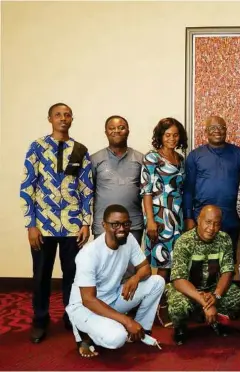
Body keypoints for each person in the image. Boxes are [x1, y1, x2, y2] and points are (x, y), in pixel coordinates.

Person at [20, 103, 93, 343]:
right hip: (43, 225)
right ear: (50, 119)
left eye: (67, 114)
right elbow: (27, 187)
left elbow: (87, 189)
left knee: (73, 274)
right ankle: (40, 319)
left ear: (72, 119)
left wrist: (85, 222)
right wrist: (30, 224)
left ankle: (71, 316)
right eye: (58, 115)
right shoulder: (37, 147)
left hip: (73, 226)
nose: (63, 118)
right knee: (41, 274)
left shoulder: (80, 150)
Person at [66, 205, 165, 358]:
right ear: (104, 225)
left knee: (157, 282)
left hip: (112, 297)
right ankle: (84, 333)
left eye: (126, 224)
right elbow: (88, 300)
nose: (122, 229)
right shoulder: (88, 254)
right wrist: (126, 321)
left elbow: (145, 267)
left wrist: (135, 277)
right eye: (115, 224)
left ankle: (140, 331)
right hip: (85, 307)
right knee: (117, 338)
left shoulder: (129, 239)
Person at [168, 205, 240, 345]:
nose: (211, 228)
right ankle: (180, 327)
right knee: (177, 305)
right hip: (189, 291)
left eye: (216, 224)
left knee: (237, 296)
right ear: (199, 220)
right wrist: (205, 302)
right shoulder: (184, 241)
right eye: (208, 222)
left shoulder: (224, 239)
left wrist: (216, 295)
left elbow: (227, 271)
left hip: (212, 289)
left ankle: (217, 321)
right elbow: (178, 280)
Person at [140, 117, 187, 326]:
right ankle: (158, 307)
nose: (172, 138)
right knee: (162, 264)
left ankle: (169, 303)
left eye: (175, 135)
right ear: (160, 136)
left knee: (174, 262)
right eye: (167, 135)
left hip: (177, 217)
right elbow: (146, 192)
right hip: (159, 217)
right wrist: (150, 220)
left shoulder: (180, 158)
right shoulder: (152, 158)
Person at [183, 116, 240, 251]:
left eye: (221, 127)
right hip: (202, 219)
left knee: (228, 260)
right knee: (202, 261)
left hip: (231, 218)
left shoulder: (239, 155)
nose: (217, 131)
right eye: (212, 128)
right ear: (206, 131)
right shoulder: (195, 156)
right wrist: (188, 217)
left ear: (226, 130)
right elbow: (188, 189)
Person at [91, 115, 144, 244]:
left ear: (128, 131)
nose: (116, 131)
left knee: (131, 263)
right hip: (103, 225)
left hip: (133, 224)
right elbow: (88, 192)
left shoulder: (141, 159)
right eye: (112, 128)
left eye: (121, 128)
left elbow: (147, 193)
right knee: (105, 263)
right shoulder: (94, 159)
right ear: (106, 132)